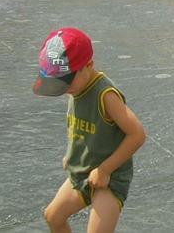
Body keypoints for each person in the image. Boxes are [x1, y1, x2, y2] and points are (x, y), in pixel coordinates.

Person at [33, 27, 147, 233]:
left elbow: (137, 134)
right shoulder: (75, 87)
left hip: (110, 178)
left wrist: (104, 170)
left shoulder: (106, 95)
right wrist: (72, 155)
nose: (64, 87)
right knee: (53, 216)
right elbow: (82, 128)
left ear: (89, 66)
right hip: (81, 172)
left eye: (66, 80)